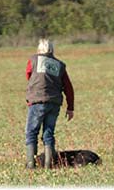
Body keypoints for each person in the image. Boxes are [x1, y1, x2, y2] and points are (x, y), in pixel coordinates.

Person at [25, 39, 74, 169]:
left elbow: (28, 75)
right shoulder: (59, 64)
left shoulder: (33, 60)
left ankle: (30, 166)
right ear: (52, 50)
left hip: (37, 102)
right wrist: (70, 108)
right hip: (54, 103)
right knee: (48, 133)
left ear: (39, 49)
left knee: (31, 133)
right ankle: (48, 165)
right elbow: (68, 87)